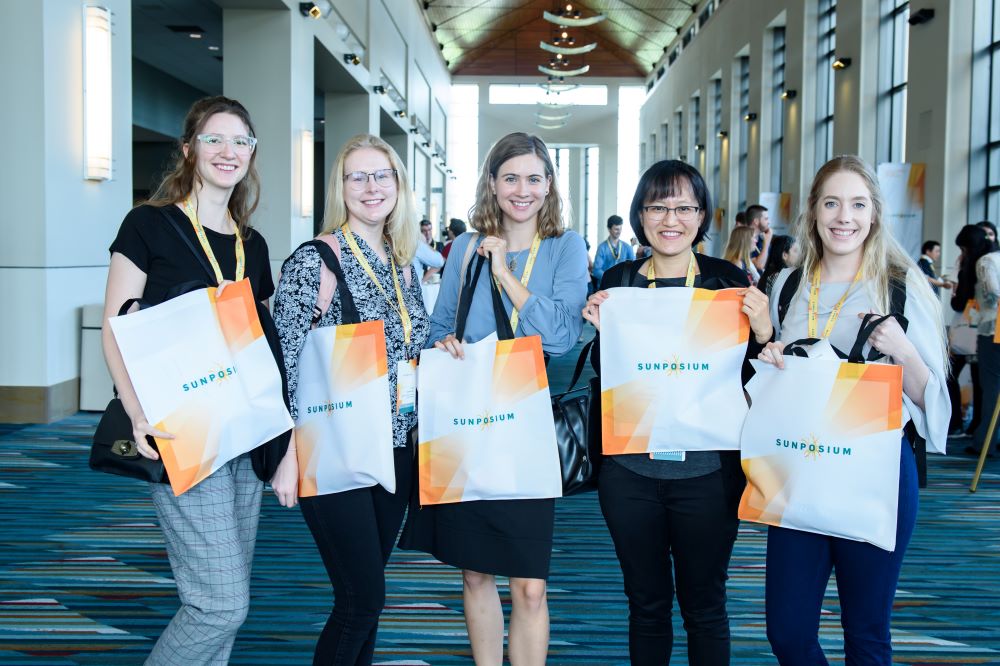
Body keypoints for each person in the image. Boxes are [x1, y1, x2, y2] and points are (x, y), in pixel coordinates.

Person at [102, 96, 292, 664]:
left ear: (252, 154)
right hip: (182, 428)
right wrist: (136, 411)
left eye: (240, 141)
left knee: (223, 593)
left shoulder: (251, 244)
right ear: (189, 149)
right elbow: (116, 328)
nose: (228, 151)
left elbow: (258, 340)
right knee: (219, 604)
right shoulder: (149, 224)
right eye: (214, 139)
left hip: (243, 430)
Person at [400, 131, 589, 665]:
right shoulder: (463, 247)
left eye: (534, 178)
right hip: (467, 425)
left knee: (530, 586)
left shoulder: (565, 247)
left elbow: (560, 336)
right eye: (511, 178)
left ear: (549, 185)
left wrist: (505, 272)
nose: (522, 190)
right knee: (476, 571)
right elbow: (438, 326)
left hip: (524, 430)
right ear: (492, 183)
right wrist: (444, 343)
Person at [758, 155, 949, 665]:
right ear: (814, 213)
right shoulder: (786, 285)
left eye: (858, 204)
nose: (845, 217)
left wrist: (903, 349)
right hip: (799, 466)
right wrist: (774, 355)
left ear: (875, 214)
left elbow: (935, 402)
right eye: (833, 203)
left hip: (877, 472)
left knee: (866, 632)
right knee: (787, 632)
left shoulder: (902, 287)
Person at [581, 159, 770, 666]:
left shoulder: (725, 281)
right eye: (658, 206)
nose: (671, 218)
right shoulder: (617, 280)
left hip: (707, 473)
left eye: (684, 206)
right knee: (645, 605)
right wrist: (602, 329)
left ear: (702, 214)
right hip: (629, 471)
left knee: (705, 605)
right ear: (640, 214)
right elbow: (613, 373)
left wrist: (766, 330)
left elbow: (756, 372)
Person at [272, 134, 430, 665]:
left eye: (382, 175)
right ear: (340, 187)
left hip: (396, 448)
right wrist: (288, 456)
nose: (371, 187)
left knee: (366, 599)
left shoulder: (402, 262)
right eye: (356, 176)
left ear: (398, 186)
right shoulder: (312, 262)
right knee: (363, 599)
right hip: (334, 449)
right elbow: (285, 368)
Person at [949, 226, 992, 442]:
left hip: (970, 332)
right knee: (983, 383)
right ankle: (980, 430)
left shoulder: (973, 266)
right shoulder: (992, 261)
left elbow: (959, 303)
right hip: (990, 332)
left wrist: (955, 293)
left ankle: (956, 423)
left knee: (949, 375)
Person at [592, 215, 636, 285]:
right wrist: (610, 278)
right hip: (606, 287)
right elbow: (596, 270)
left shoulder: (627, 247)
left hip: (623, 286)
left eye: (620, 229)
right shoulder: (602, 248)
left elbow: (634, 266)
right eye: (616, 229)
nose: (619, 232)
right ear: (609, 229)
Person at [413, 219, 445, 283]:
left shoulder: (440, 245)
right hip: (421, 282)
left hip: (436, 283)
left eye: (429, 230)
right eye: (424, 231)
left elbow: (442, 263)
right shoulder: (417, 247)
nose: (427, 233)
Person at [745, 204, 772, 272]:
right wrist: (767, 243)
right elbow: (759, 265)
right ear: (756, 221)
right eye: (766, 219)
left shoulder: (762, 239)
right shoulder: (744, 240)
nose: (769, 222)